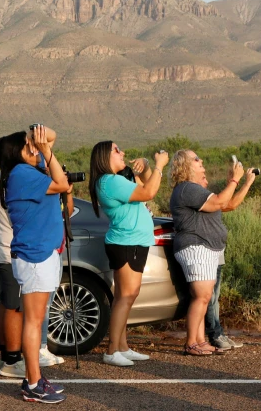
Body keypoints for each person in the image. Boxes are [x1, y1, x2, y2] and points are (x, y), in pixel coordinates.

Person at [0, 130, 71, 380]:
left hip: (10, 247)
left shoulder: (6, 175)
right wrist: (45, 149)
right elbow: (62, 184)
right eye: (28, 145)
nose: (33, 148)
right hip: (23, 250)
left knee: (11, 306)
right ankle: (19, 366)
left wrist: (44, 140)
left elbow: (50, 146)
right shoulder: (22, 175)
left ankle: (12, 357)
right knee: (20, 312)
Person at [88, 141, 168, 367]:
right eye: (116, 150)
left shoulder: (116, 180)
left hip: (133, 242)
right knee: (126, 296)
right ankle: (112, 350)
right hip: (126, 243)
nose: (122, 152)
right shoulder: (109, 181)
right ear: (104, 157)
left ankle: (122, 346)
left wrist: (148, 169)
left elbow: (146, 188)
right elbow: (148, 191)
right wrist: (160, 165)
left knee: (126, 296)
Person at [169, 149, 246, 356]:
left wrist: (239, 182)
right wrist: (235, 180)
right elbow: (220, 202)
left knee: (202, 298)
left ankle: (201, 340)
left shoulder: (192, 189)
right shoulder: (187, 188)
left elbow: (225, 203)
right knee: (201, 297)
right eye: (196, 159)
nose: (201, 160)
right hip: (196, 246)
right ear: (185, 165)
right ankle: (191, 343)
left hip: (205, 247)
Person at [204, 161, 256, 351]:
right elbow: (231, 204)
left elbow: (226, 202)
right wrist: (244, 181)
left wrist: (232, 181)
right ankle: (214, 335)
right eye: (202, 175)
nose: (206, 178)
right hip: (207, 249)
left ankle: (217, 332)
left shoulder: (207, 197)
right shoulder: (199, 196)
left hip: (216, 248)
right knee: (209, 296)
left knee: (214, 296)